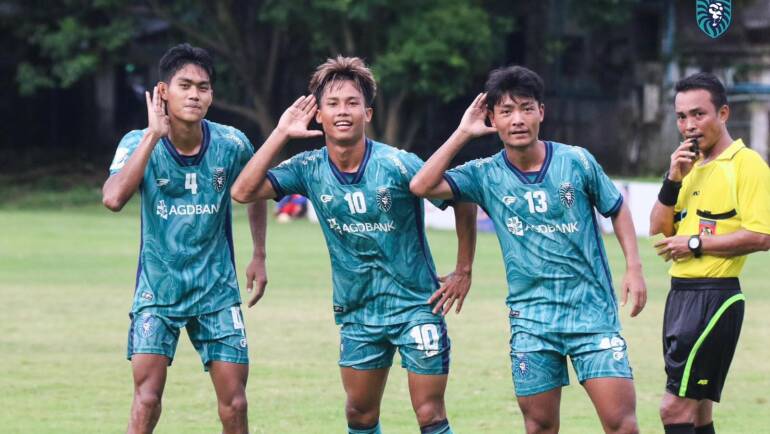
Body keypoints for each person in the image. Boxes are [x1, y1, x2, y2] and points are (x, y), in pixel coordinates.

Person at [231, 56, 477, 434]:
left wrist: (463, 270)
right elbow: (244, 191)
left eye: (352, 103)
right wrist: (281, 132)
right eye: (333, 104)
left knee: (430, 413)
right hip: (357, 311)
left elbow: (461, 195)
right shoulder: (308, 167)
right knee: (359, 415)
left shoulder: (398, 165)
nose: (342, 112)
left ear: (368, 113)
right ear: (318, 115)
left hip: (416, 305)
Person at [409, 65, 647, 434]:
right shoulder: (484, 173)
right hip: (532, 322)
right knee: (538, 426)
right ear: (492, 118)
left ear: (541, 112)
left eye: (525, 108)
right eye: (506, 111)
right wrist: (463, 132)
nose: (517, 119)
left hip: (591, 315)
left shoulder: (577, 161)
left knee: (622, 425)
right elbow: (421, 185)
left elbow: (617, 209)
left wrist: (634, 268)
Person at [101, 43, 268, 434]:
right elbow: (112, 198)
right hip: (158, 291)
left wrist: (259, 253)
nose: (195, 94)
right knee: (147, 399)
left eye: (204, 87)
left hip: (217, 290)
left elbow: (255, 189)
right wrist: (153, 137)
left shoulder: (232, 144)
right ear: (163, 92)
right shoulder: (135, 142)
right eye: (185, 85)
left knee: (235, 402)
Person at [650, 72, 770, 434]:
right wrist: (672, 179)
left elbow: (763, 235)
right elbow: (659, 229)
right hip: (680, 297)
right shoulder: (686, 166)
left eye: (699, 114)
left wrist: (696, 243)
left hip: (715, 299)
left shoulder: (746, 165)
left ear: (723, 114)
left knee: (673, 409)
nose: (689, 125)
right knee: (698, 412)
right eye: (682, 116)